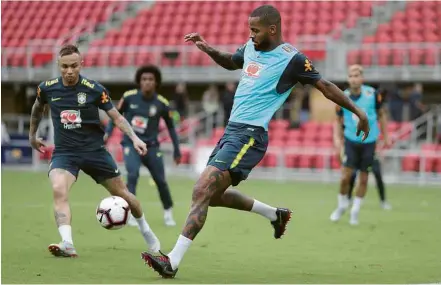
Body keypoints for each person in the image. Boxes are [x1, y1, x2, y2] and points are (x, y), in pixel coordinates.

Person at [142, 5, 370, 278]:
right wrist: (207, 48)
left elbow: (326, 86)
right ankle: (275, 214)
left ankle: (172, 261)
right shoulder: (251, 47)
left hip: (251, 136)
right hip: (231, 132)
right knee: (211, 197)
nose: (250, 35)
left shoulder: (293, 59)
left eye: (255, 30)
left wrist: (357, 112)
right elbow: (231, 61)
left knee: (202, 189)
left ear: (272, 29)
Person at [28, 44, 160, 257]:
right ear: (58, 66)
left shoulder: (94, 89)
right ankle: (67, 243)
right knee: (58, 189)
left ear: (82, 64)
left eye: (73, 66)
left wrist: (134, 138)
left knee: (123, 194)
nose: (69, 71)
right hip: (65, 153)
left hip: (94, 152)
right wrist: (32, 135)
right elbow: (37, 108)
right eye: (64, 67)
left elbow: (116, 116)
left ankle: (146, 231)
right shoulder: (47, 88)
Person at [104, 65, 181, 227]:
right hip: (131, 144)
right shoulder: (129, 97)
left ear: (156, 82)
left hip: (152, 146)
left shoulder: (162, 103)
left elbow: (171, 128)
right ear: (139, 81)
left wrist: (177, 150)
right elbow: (114, 117)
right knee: (132, 175)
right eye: (144, 79)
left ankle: (168, 212)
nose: (147, 82)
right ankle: (131, 213)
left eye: (150, 79)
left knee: (160, 180)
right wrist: (107, 135)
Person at [331, 64, 390, 226]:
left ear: (362, 78)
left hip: (369, 142)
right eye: (351, 75)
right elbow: (337, 119)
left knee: (363, 179)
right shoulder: (342, 96)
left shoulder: (373, 94)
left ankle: (355, 211)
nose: (354, 78)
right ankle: (342, 205)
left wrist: (386, 136)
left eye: (357, 75)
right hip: (350, 141)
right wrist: (337, 139)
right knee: (345, 177)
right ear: (348, 79)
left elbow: (381, 115)